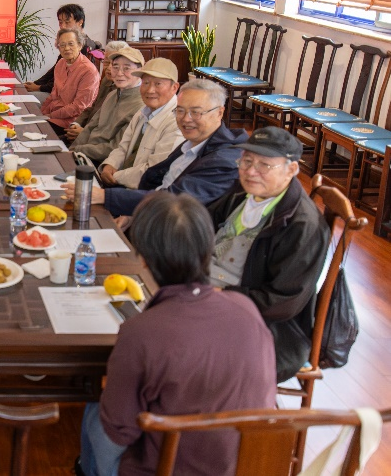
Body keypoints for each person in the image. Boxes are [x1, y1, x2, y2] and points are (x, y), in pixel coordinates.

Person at [78, 192, 276, 476]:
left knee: (96, 407)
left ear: (143, 260)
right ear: (208, 248)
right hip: (240, 466)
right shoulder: (247, 310)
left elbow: (118, 431)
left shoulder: (140, 331)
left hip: (166, 468)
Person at [207, 127, 330, 382]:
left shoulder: (302, 226)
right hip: (210, 294)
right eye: (247, 161)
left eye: (264, 165)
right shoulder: (243, 193)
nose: (251, 172)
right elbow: (205, 222)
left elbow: (283, 302)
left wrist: (220, 295)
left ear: (291, 170)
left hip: (264, 328)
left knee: (173, 346)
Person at [69, 79, 247, 218]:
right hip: (150, 211)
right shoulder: (193, 142)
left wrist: (105, 196)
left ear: (219, 113)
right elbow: (156, 180)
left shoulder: (224, 161)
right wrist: (131, 215)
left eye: (196, 112)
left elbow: (175, 200)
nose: (186, 119)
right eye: (180, 111)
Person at [99, 58, 183, 189]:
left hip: (146, 192)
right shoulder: (143, 111)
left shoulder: (178, 123)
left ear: (174, 87)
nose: (150, 90)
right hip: (122, 182)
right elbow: (123, 147)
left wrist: (116, 176)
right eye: (146, 83)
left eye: (158, 84)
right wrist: (110, 165)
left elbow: (154, 171)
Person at [68, 46, 145, 166]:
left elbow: (116, 148)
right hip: (83, 154)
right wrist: (72, 151)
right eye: (115, 67)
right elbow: (90, 127)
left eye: (126, 68)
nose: (119, 73)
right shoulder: (112, 94)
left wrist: (77, 150)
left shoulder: (141, 106)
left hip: (104, 163)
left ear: (140, 71)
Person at [24, 3, 103, 99]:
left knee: (26, 99)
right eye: (60, 22)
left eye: (67, 22)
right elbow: (54, 71)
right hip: (55, 92)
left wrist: (39, 87)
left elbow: (66, 82)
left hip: (66, 97)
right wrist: (35, 84)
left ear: (80, 22)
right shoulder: (75, 43)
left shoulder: (82, 47)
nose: (63, 26)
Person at [40, 28, 101, 138]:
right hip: (54, 114)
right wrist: (42, 113)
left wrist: (50, 115)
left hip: (71, 121)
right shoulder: (60, 63)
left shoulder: (88, 71)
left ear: (80, 45)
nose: (66, 48)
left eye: (71, 44)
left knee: (36, 130)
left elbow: (78, 107)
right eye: (62, 45)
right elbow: (54, 94)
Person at [64, 41, 122, 140]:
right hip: (85, 129)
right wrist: (76, 124)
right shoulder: (106, 81)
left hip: (96, 139)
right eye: (106, 62)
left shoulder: (124, 91)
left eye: (114, 64)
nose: (109, 68)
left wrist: (84, 132)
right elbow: (92, 107)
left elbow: (111, 128)